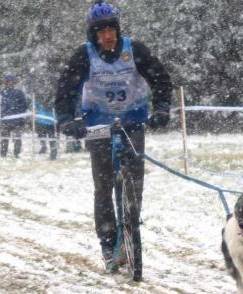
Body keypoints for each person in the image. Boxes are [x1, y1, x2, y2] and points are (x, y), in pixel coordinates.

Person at [55, 1, 172, 273]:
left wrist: (162, 108)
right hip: (98, 124)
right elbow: (66, 89)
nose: (108, 36)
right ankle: (108, 243)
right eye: (101, 31)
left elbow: (161, 79)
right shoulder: (84, 55)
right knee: (103, 186)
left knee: (135, 184)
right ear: (93, 35)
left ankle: (131, 231)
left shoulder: (135, 50)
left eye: (111, 30)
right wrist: (66, 119)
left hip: (133, 121)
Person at [0, 75, 29, 158]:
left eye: (11, 81)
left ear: (14, 82)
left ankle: (17, 154)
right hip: (6, 119)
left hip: (17, 119)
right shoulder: (2, 93)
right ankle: (3, 154)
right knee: (4, 137)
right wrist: (2, 113)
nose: (9, 83)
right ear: (5, 82)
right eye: (8, 81)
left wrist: (18, 114)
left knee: (17, 137)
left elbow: (24, 105)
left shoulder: (19, 92)